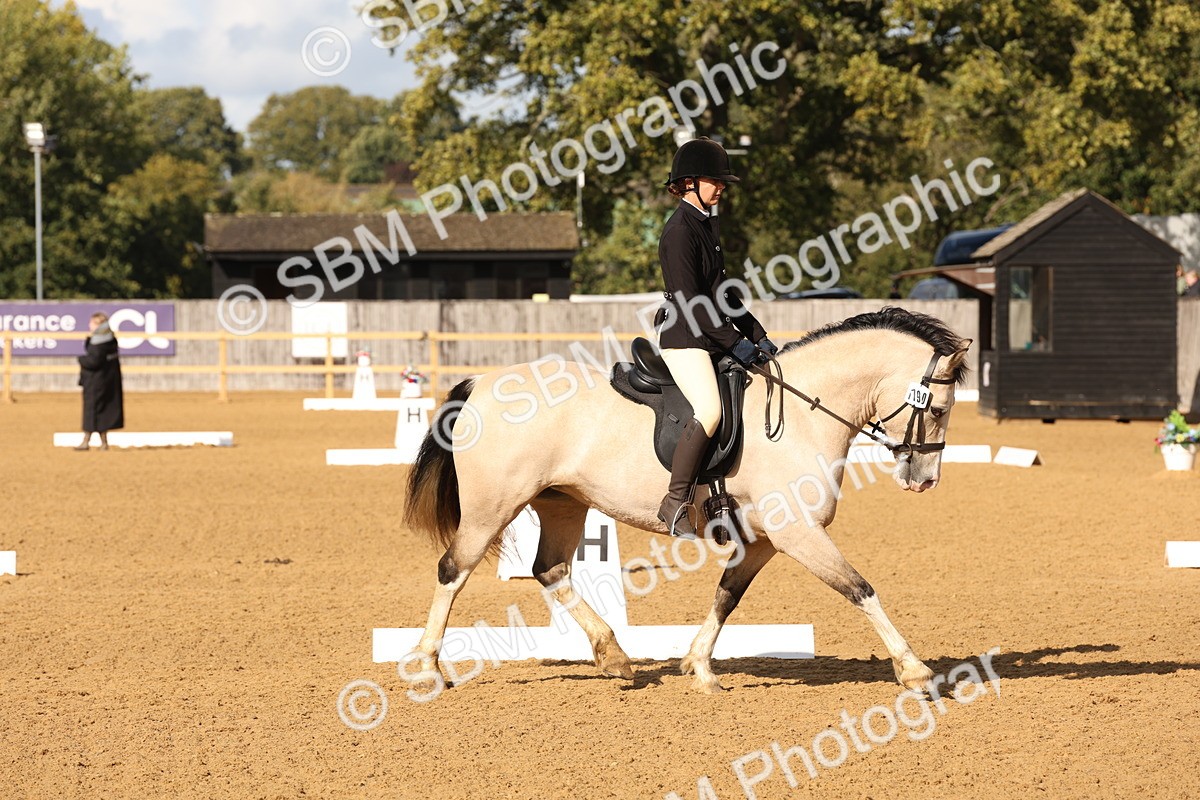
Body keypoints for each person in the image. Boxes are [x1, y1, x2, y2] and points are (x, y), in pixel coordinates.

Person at [655, 137, 777, 538]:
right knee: (710, 410)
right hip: (684, 337)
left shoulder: (707, 225)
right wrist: (735, 343)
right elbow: (693, 302)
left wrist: (756, 333)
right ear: (689, 183)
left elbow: (723, 293)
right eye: (714, 180)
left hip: (707, 334)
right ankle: (675, 502)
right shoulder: (678, 232)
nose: (721, 187)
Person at [75, 312, 124, 451]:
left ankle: (86, 441)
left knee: (91, 410)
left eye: (92, 323)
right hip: (107, 380)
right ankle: (104, 442)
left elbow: (94, 361)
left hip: (95, 381)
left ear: (98, 324)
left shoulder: (98, 342)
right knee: (104, 410)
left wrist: (81, 359)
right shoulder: (110, 339)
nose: (89, 325)